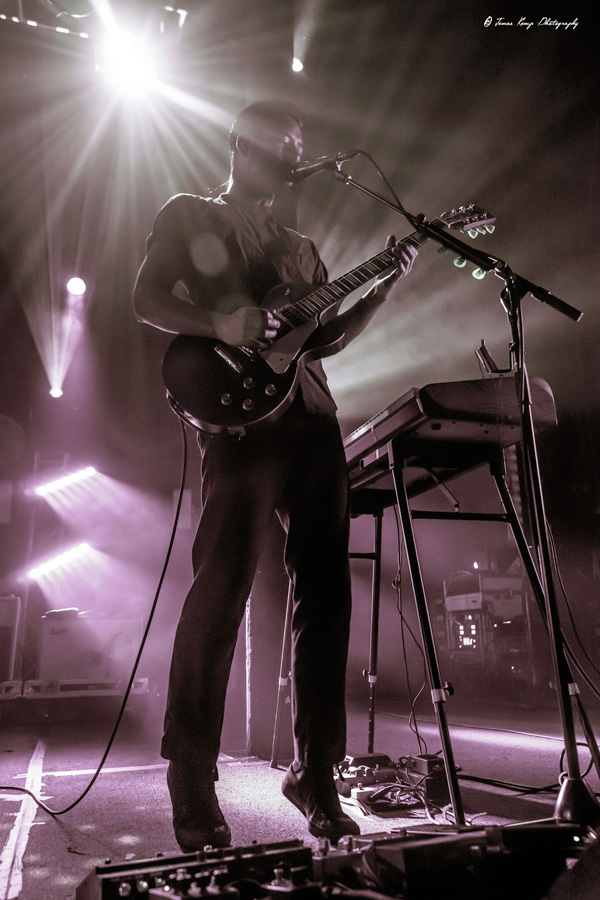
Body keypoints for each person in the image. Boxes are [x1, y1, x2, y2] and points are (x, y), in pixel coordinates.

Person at [133, 100, 417, 851]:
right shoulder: (192, 213)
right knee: (220, 590)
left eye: (297, 147)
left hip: (314, 422)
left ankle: (315, 774)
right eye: (277, 145)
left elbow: (322, 342)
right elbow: (145, 298)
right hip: (240, 425)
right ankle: (191, 773)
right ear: (239, 145)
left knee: (326, 597)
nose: (291, 157)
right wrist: (220, 325)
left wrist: (382, 288)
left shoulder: (303, 248)